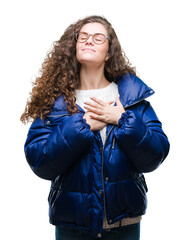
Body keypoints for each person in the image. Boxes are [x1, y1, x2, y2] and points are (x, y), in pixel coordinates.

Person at [20, 15, 170, 240]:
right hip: (72, 223)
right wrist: (82, 126)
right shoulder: (56, 103)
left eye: (98, 37)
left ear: (109, 52)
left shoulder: (132, 99)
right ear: (74, 46)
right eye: (83, 37)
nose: (89, 40)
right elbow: (39, 161)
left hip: (123, 223)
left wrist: (123, 120)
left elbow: (155, 155)